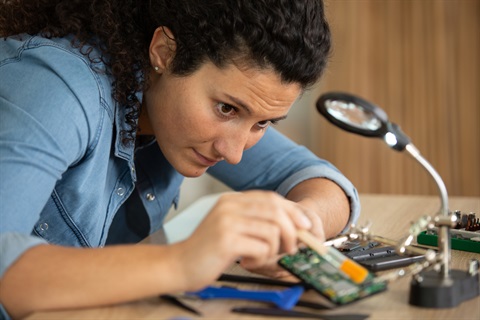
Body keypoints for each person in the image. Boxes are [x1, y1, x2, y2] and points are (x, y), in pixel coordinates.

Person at [0, 0, 360, 319]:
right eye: (226, 108)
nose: (234, 153)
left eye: (262, 122)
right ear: (164, 52)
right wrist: (183, 261)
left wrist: (300, 225)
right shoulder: (57, 90)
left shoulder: (180, 106)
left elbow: (318, 180)